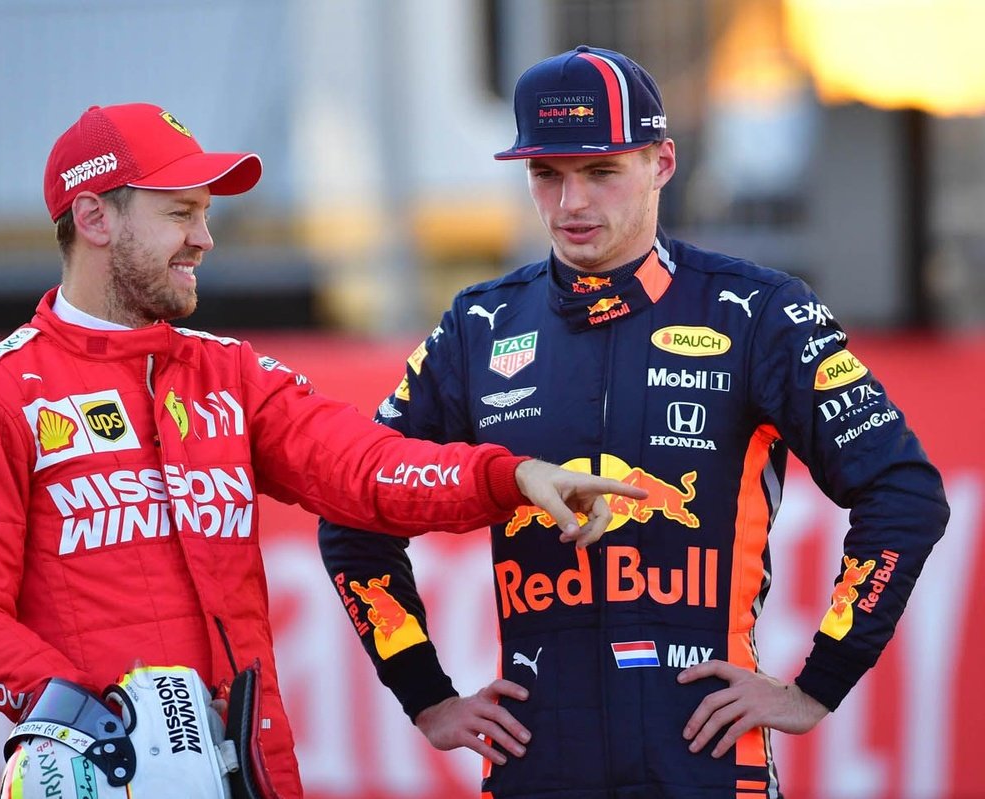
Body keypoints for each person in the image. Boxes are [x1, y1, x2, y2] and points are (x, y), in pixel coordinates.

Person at [0, 101, 647, 799]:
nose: (204, 238)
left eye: (205, 214)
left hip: (256, 775)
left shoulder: (231, 374)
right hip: (103, 777)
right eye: (179, 213)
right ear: (94, 217)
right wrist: (92, 719)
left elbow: (368, 470)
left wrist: (510, 475)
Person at [317, 45, 949, 797]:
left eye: (601, 171)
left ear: (662, 163)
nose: (570, 204)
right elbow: (353, 506)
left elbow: (904, 493)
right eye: (546, 174)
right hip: (538, 765)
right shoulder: (477, 327)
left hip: (706, 764)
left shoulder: (760, 313)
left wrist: (818, 684)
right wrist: (425, 693)